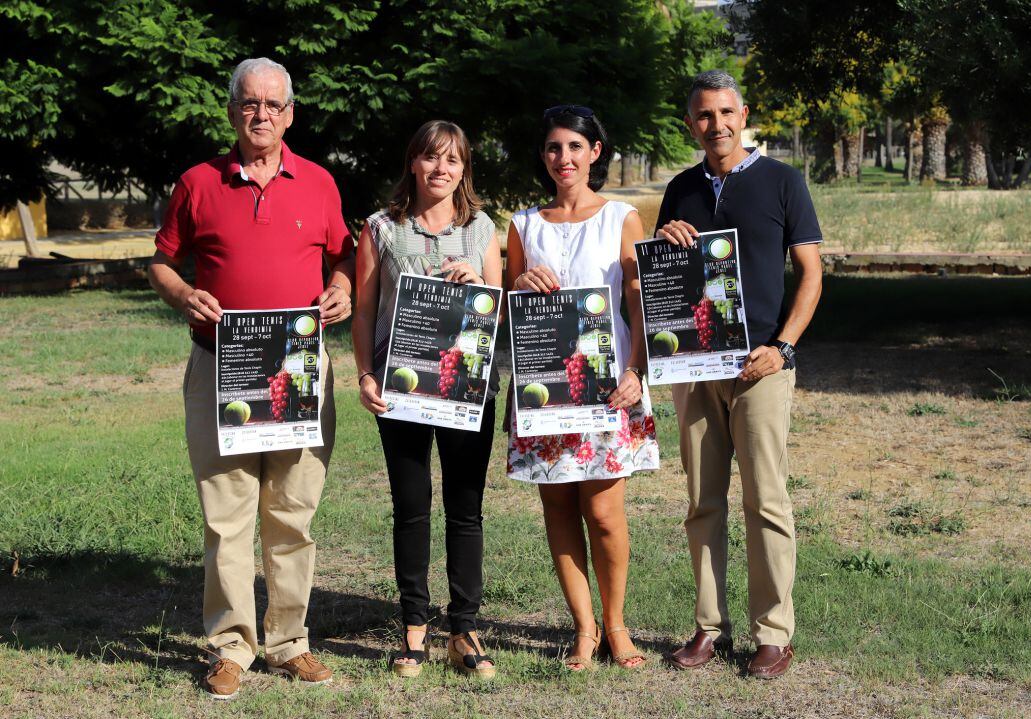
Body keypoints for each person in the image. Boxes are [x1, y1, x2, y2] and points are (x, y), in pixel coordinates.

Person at [148, 57, 354, 700]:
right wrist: (184, 294)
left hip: (297, 370)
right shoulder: (197, 182)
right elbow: (161, 261)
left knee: (293, 512)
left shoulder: (319, 183)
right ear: (233, 110)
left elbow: (344, 253)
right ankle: (231, 645)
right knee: (227, 518)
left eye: (273, 104)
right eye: (249, 103)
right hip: (221, 368)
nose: (261, 114)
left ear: (289, 113)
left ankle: (289, 643)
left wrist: (343, 286)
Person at [655, 71, 823, 679]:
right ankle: (707, 628)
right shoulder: (679, 190)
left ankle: (774, 634)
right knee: (702, 501)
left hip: (761, 367)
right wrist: (667, 239)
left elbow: (810, 273)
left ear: (743, 113)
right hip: (694, 369)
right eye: (704, 115)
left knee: (766, 501)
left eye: (726, 113)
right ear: (690, 123)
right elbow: (664, 287)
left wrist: (783, 347)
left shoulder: (783, 181)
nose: (716, 125)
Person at [506, 105, 660, 670]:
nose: (563, 158)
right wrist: (518, 281)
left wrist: (637, 372)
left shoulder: (622, 217)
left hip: (607, 384)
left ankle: (618, 625)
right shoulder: (523, 224)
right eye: (553, 147)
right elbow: (509, 311)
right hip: (545, 385)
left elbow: (640, 306)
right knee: (558, 505)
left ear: (595, 152)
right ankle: (584, 628)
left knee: (603, 511)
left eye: (574, 146)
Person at [352, 120, 502, 679]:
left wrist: (482, 290)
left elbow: (500, 307)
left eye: (454, 160)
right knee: (411, 507)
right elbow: (365, 310)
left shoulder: (483, 228)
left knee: (466, 510)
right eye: (431, 158)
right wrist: (365, 374)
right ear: (413, 163)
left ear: (464, 169)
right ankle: (414, 625)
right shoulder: (380, 229)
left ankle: (463, 629)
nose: (442, 169)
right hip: (402, 388)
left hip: (466, 386)